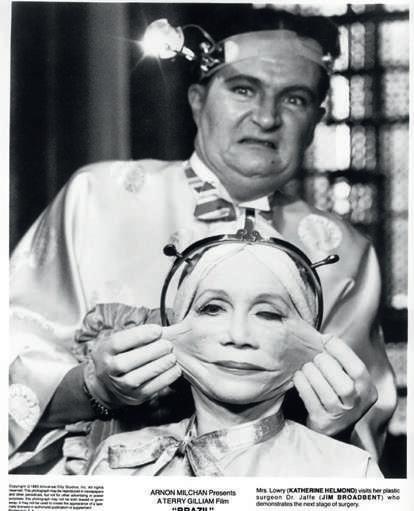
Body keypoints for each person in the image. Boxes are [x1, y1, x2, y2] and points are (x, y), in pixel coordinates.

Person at [9, 7, 396, 473]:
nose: (266, 117)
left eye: (294, 99)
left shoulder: (344, 253)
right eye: (243, 89)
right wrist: (93, 388)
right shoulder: (97, 198)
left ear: (317, 119)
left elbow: (358, 443)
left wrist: (335, 428)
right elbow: (13, 366)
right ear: (197, 100)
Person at [85, 241, 382, 477]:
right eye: (213, 309)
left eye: (268, 314)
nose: (238, 335)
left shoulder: (349, 471)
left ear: (312, 342)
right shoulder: (115, 458)